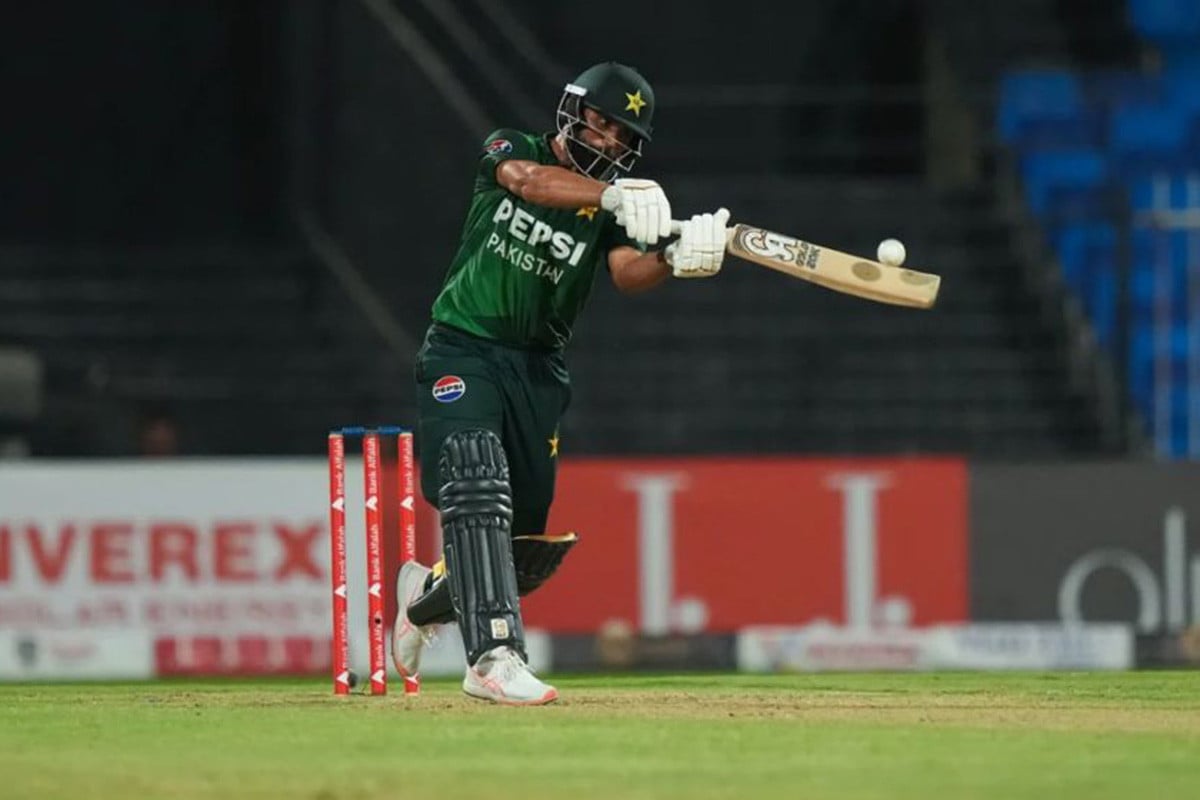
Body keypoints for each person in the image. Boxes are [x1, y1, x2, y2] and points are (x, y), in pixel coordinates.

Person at [392, 61, 729, 705]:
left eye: (623, 136)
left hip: (538, 371)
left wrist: (673, 257)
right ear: (573, 111)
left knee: (522, 553)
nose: (609, 140)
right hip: (464, 347)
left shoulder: (611, 211)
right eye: (602, 122)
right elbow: (527, 182)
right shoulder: (512, 147)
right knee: (476, 477)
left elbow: (628, 273)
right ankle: (493, 658)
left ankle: (421, 601)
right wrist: (608, 196)